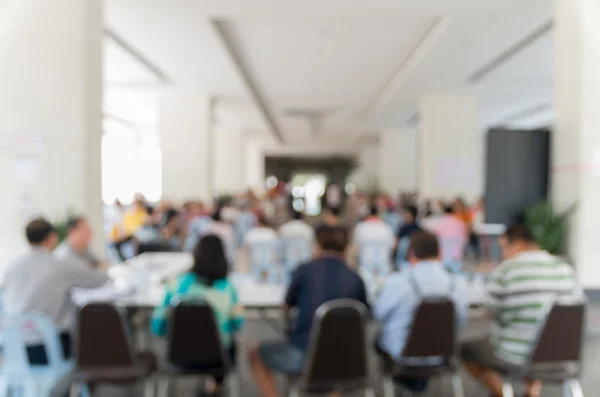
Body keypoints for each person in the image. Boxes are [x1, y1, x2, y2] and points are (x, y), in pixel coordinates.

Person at [248, 225, 369, 397]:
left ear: (317, 245)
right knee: (334, 359)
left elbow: (287, 305)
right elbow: (363, 315)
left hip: (305, 354)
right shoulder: (356, 278)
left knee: (255, 353)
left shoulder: (304, 271)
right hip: (345, 360)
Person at [461, 224, 578, 397]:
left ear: (515, 243)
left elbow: (490, 311)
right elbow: (575, 307)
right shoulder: (565, 269)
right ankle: (532, 391)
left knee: (467, 349)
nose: (501, 254)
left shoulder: (507, 270)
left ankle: (501, 392)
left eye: (501, 248)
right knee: (537, 331)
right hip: (562, 355)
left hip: (518, 355)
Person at [3, 218, 109, 364]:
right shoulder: (58, 266)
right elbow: (99, 280)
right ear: (52, 238)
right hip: (49, 349)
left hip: (14, 348)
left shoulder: (12, 266)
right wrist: (103, 268)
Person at [374, 231, 468, 394]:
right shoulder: (457, 284)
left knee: (378, 339)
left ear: (411, 253)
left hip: (402, 358)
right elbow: (461, 322)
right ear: (440, 253)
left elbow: (378, 314)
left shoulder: (399, 282)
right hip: (443, 356)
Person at [151, 235, 244, 394]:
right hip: (218, 357)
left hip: (178, 355)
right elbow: (238, 323)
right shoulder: (229, 289)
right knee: (230, 343)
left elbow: (157, 326)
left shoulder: (175, 286)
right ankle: (215, 385)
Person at [352, 204, 395, 272]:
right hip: (384, 269)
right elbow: (392, 246)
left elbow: (355, 248)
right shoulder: (387, 228)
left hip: (364, 268)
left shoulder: (360, 228)